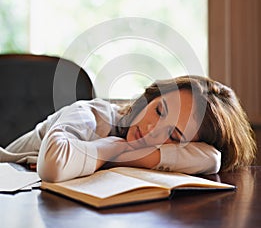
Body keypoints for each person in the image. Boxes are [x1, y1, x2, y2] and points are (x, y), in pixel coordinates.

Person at [0, 75, 256, 182]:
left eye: (172, 135)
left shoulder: (148, 145)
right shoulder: (90, 116)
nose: (151, 129)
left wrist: (131, 154)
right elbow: (54, 165)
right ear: (151, 97)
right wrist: (113, 149)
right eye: (159, 110)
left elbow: (211, 158)